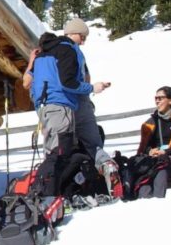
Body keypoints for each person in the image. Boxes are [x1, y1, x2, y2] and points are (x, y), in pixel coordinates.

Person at [24, 21, 109, 194]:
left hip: (44, 106)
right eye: (82, 36)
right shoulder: (69, 50)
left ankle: (55, 191)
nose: (83, 42)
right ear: (74, 33)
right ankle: (52, 195)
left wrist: (31, 62)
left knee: (54, 151)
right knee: (63, 151)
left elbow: (26, 83)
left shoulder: (41, 55)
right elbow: (73, 81)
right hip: (63, 104)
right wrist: (93, 88)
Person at [136, 86, 171, 198]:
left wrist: (166, 151)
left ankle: (158, 202)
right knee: (147, 171)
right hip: (156, 160)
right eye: (156, 98)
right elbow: (144, 147)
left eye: (160, 98)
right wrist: (150, 151)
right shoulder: (151, 122)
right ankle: (144, 202)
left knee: (161, 167)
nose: (157, 101)